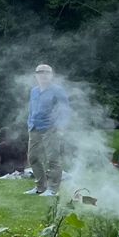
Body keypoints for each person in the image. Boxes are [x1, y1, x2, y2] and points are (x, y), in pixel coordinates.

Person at [26, 64, 69, 197]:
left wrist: (61, 126)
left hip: (51, 128)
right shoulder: (34, 91)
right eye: (40, 72)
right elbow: (32, 109)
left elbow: (65, 110)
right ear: (36, 75)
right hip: (34, 128)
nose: (43, 75)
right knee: (32, 157)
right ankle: (40, 187)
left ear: (51, 75)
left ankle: (53, 189)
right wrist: (29, 122)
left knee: (53, 159)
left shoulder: (58, 90)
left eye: (46, 72)